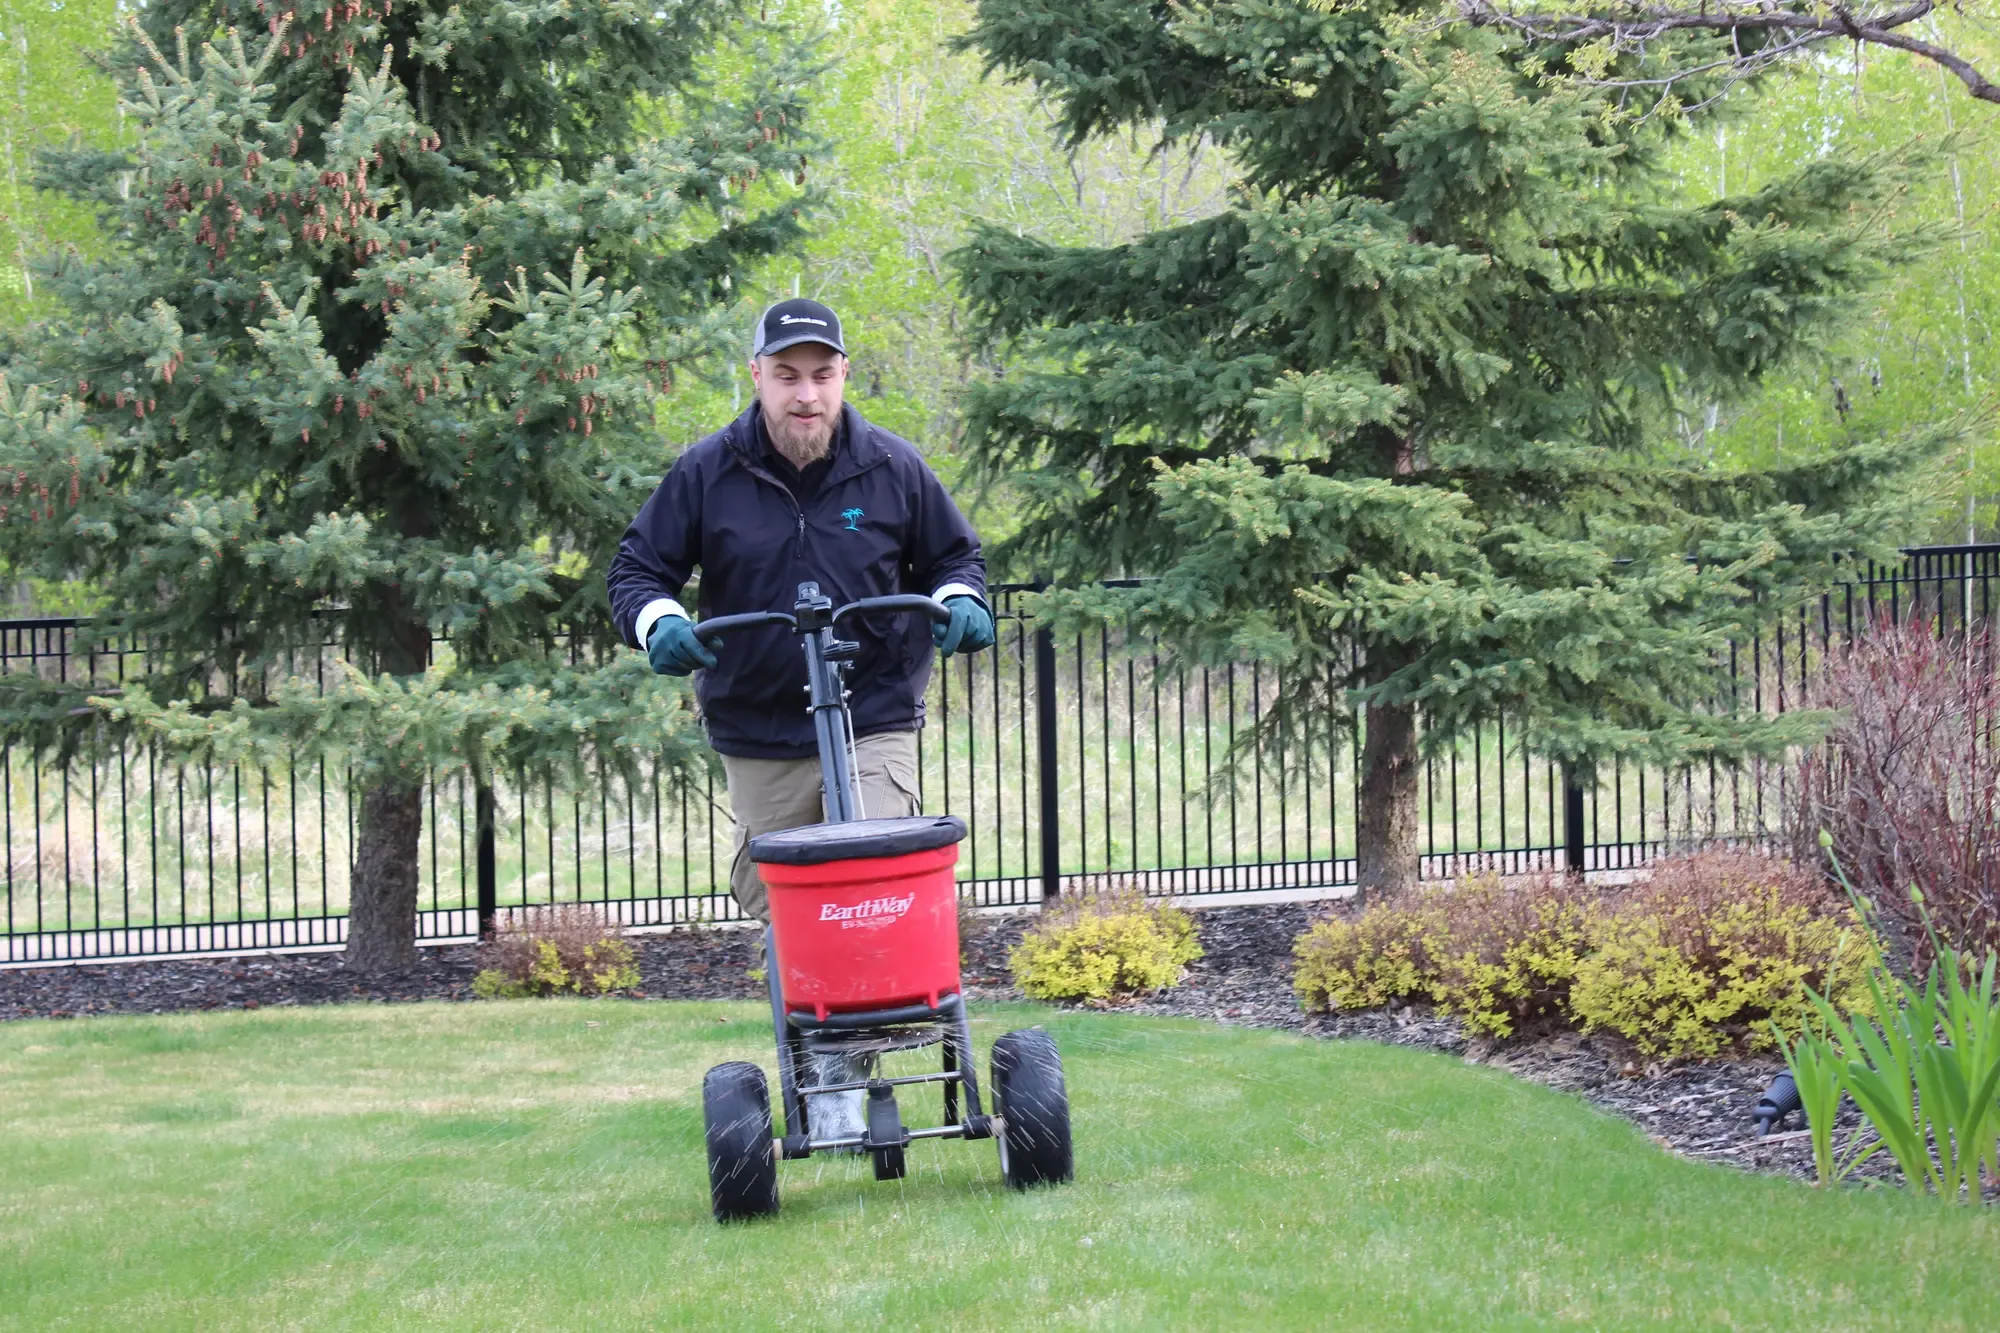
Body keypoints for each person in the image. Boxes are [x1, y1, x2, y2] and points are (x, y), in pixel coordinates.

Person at [607, 297, 995, 923]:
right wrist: (659, 621)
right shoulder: (707, 472)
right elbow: (637, 570)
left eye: (821, 375)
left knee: (877, 884)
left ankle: (893, 1023)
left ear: (845, 374)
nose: (806, 395)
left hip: (871, 712)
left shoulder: (893, 466)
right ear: (757, 375)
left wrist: (959, 599)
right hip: (759, 723)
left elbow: (955, 558)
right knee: (778, 898)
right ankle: (810, 1016)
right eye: (787, 376)